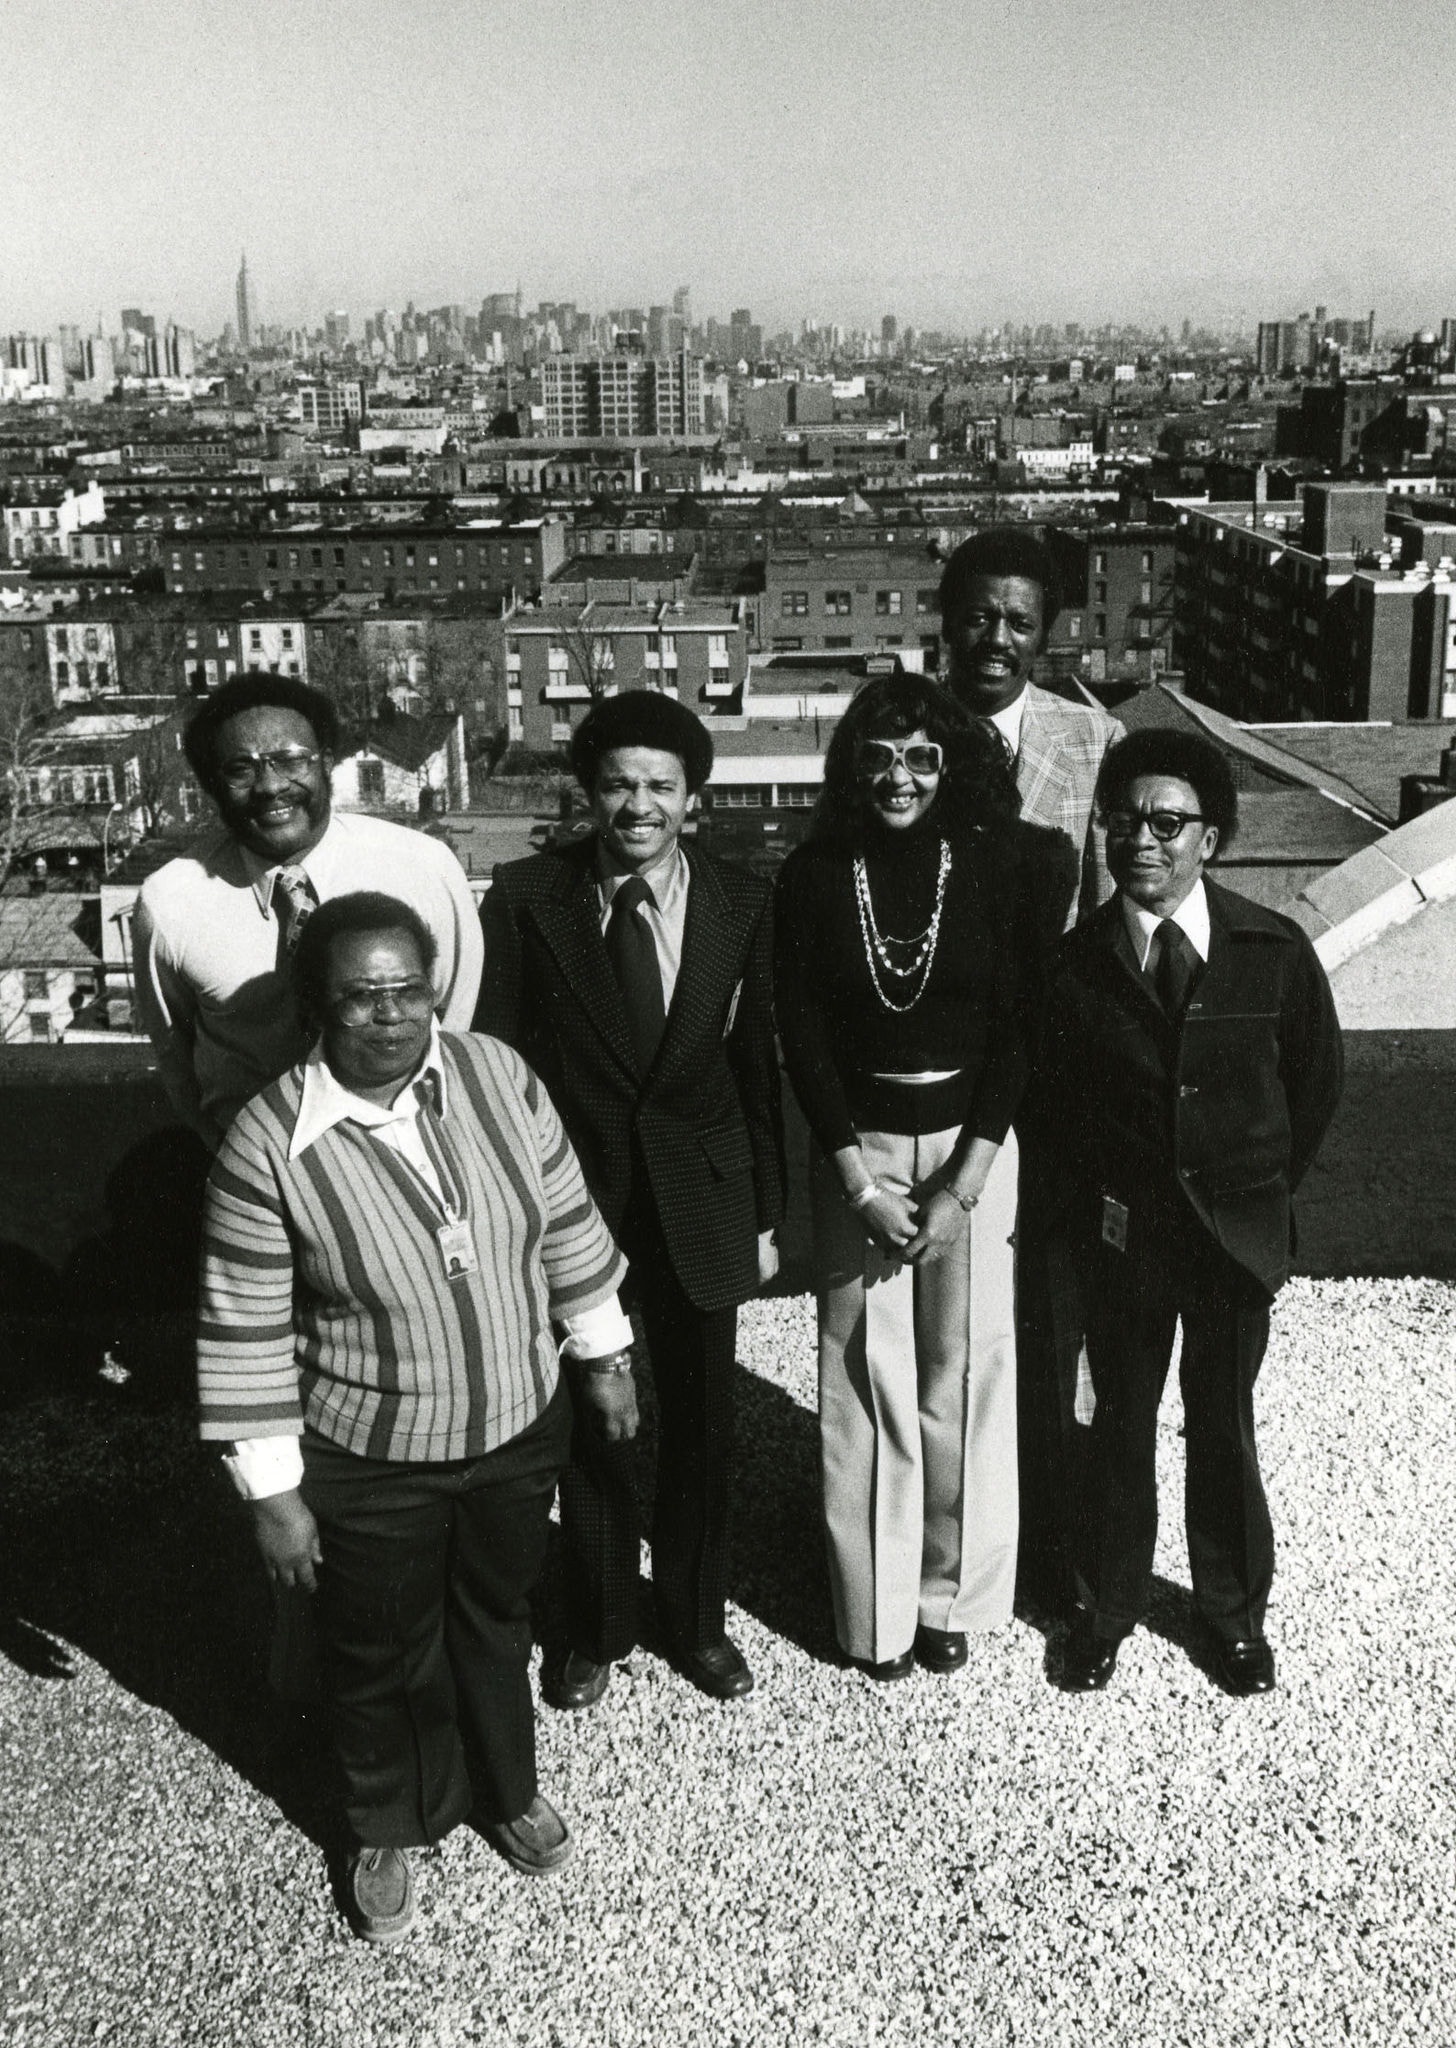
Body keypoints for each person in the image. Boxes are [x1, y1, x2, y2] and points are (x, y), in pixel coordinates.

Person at [197, 893, 633, 1944]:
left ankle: (506, 1786)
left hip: (517, 1426)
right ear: (316, 1005)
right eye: (361, 995)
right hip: (372, 1453)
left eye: (409, 989)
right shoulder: (265, 1145)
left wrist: (605, 1353)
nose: (391, 1015)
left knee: (496, 1615)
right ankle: (387, 1819)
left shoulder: (496, 1071)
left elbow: (565, 1218)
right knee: (380, 1642)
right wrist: (276, 1497)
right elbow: (243, 1322)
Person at [476, 691, 785, 1708]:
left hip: (700, 1198)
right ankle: (599, 1622)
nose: (637, 806)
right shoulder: (528, 896)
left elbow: (757, 1063)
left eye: (659, 786)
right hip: (578, 1211)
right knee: (593, 1425)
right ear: (588, 792)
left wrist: (769, 1210)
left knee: (702, 1423)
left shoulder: (742, 900)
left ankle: (697, 1621)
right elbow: (500, 1064)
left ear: (691, 798)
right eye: (617, 784)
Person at [1037, 731, 1343, 1695]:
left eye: (1168, 822)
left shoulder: (1271, 951)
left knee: (1224, 1423)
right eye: (1123, 820)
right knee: (1120, 1424)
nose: (1143, 841)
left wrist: (1254, 1195)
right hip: (1126, 1244)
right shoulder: (1077, 963)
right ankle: (1108, 1605)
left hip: (1233, 1244)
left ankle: (1232, 1616)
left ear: (1212, 838)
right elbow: (1056, 1109)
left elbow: (1314, 1086)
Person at [774, 674, 1056, 1680]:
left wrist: (963, 1183)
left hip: (975, 1149)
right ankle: (876, 1610)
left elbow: (1021, 1028)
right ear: (852, 764)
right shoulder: (812, 873)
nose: (899, 776)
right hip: (860, 1151)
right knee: (864, 1373)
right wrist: (856, 1181)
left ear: (954, 765)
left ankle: (952, 1597)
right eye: (879, 755)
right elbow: (798, 1031)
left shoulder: (1005, 864)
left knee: (967, 1371)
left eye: (922, 756)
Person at [939, 527, 1126, 1617]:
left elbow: (1105, 917)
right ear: (945, 619)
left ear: (1046, 632)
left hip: (1053, 1082)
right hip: (937, 1075)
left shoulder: (1091, 740)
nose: (995, 639)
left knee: (1054, 1318)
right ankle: (953, 1541)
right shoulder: (903, 734)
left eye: (1018, 620)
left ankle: (1053, 1546)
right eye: (977, 615)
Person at [133, 673, 483, 1152]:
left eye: (291, 759)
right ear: (213, 785)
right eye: (241, 768)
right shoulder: (170, 902)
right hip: (258, 1166)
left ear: (327, 762)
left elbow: (455, 1016)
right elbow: (175, 1055)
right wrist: (233, 1159)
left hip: (405, 1152)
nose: (271, 786)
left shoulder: (421, 867)